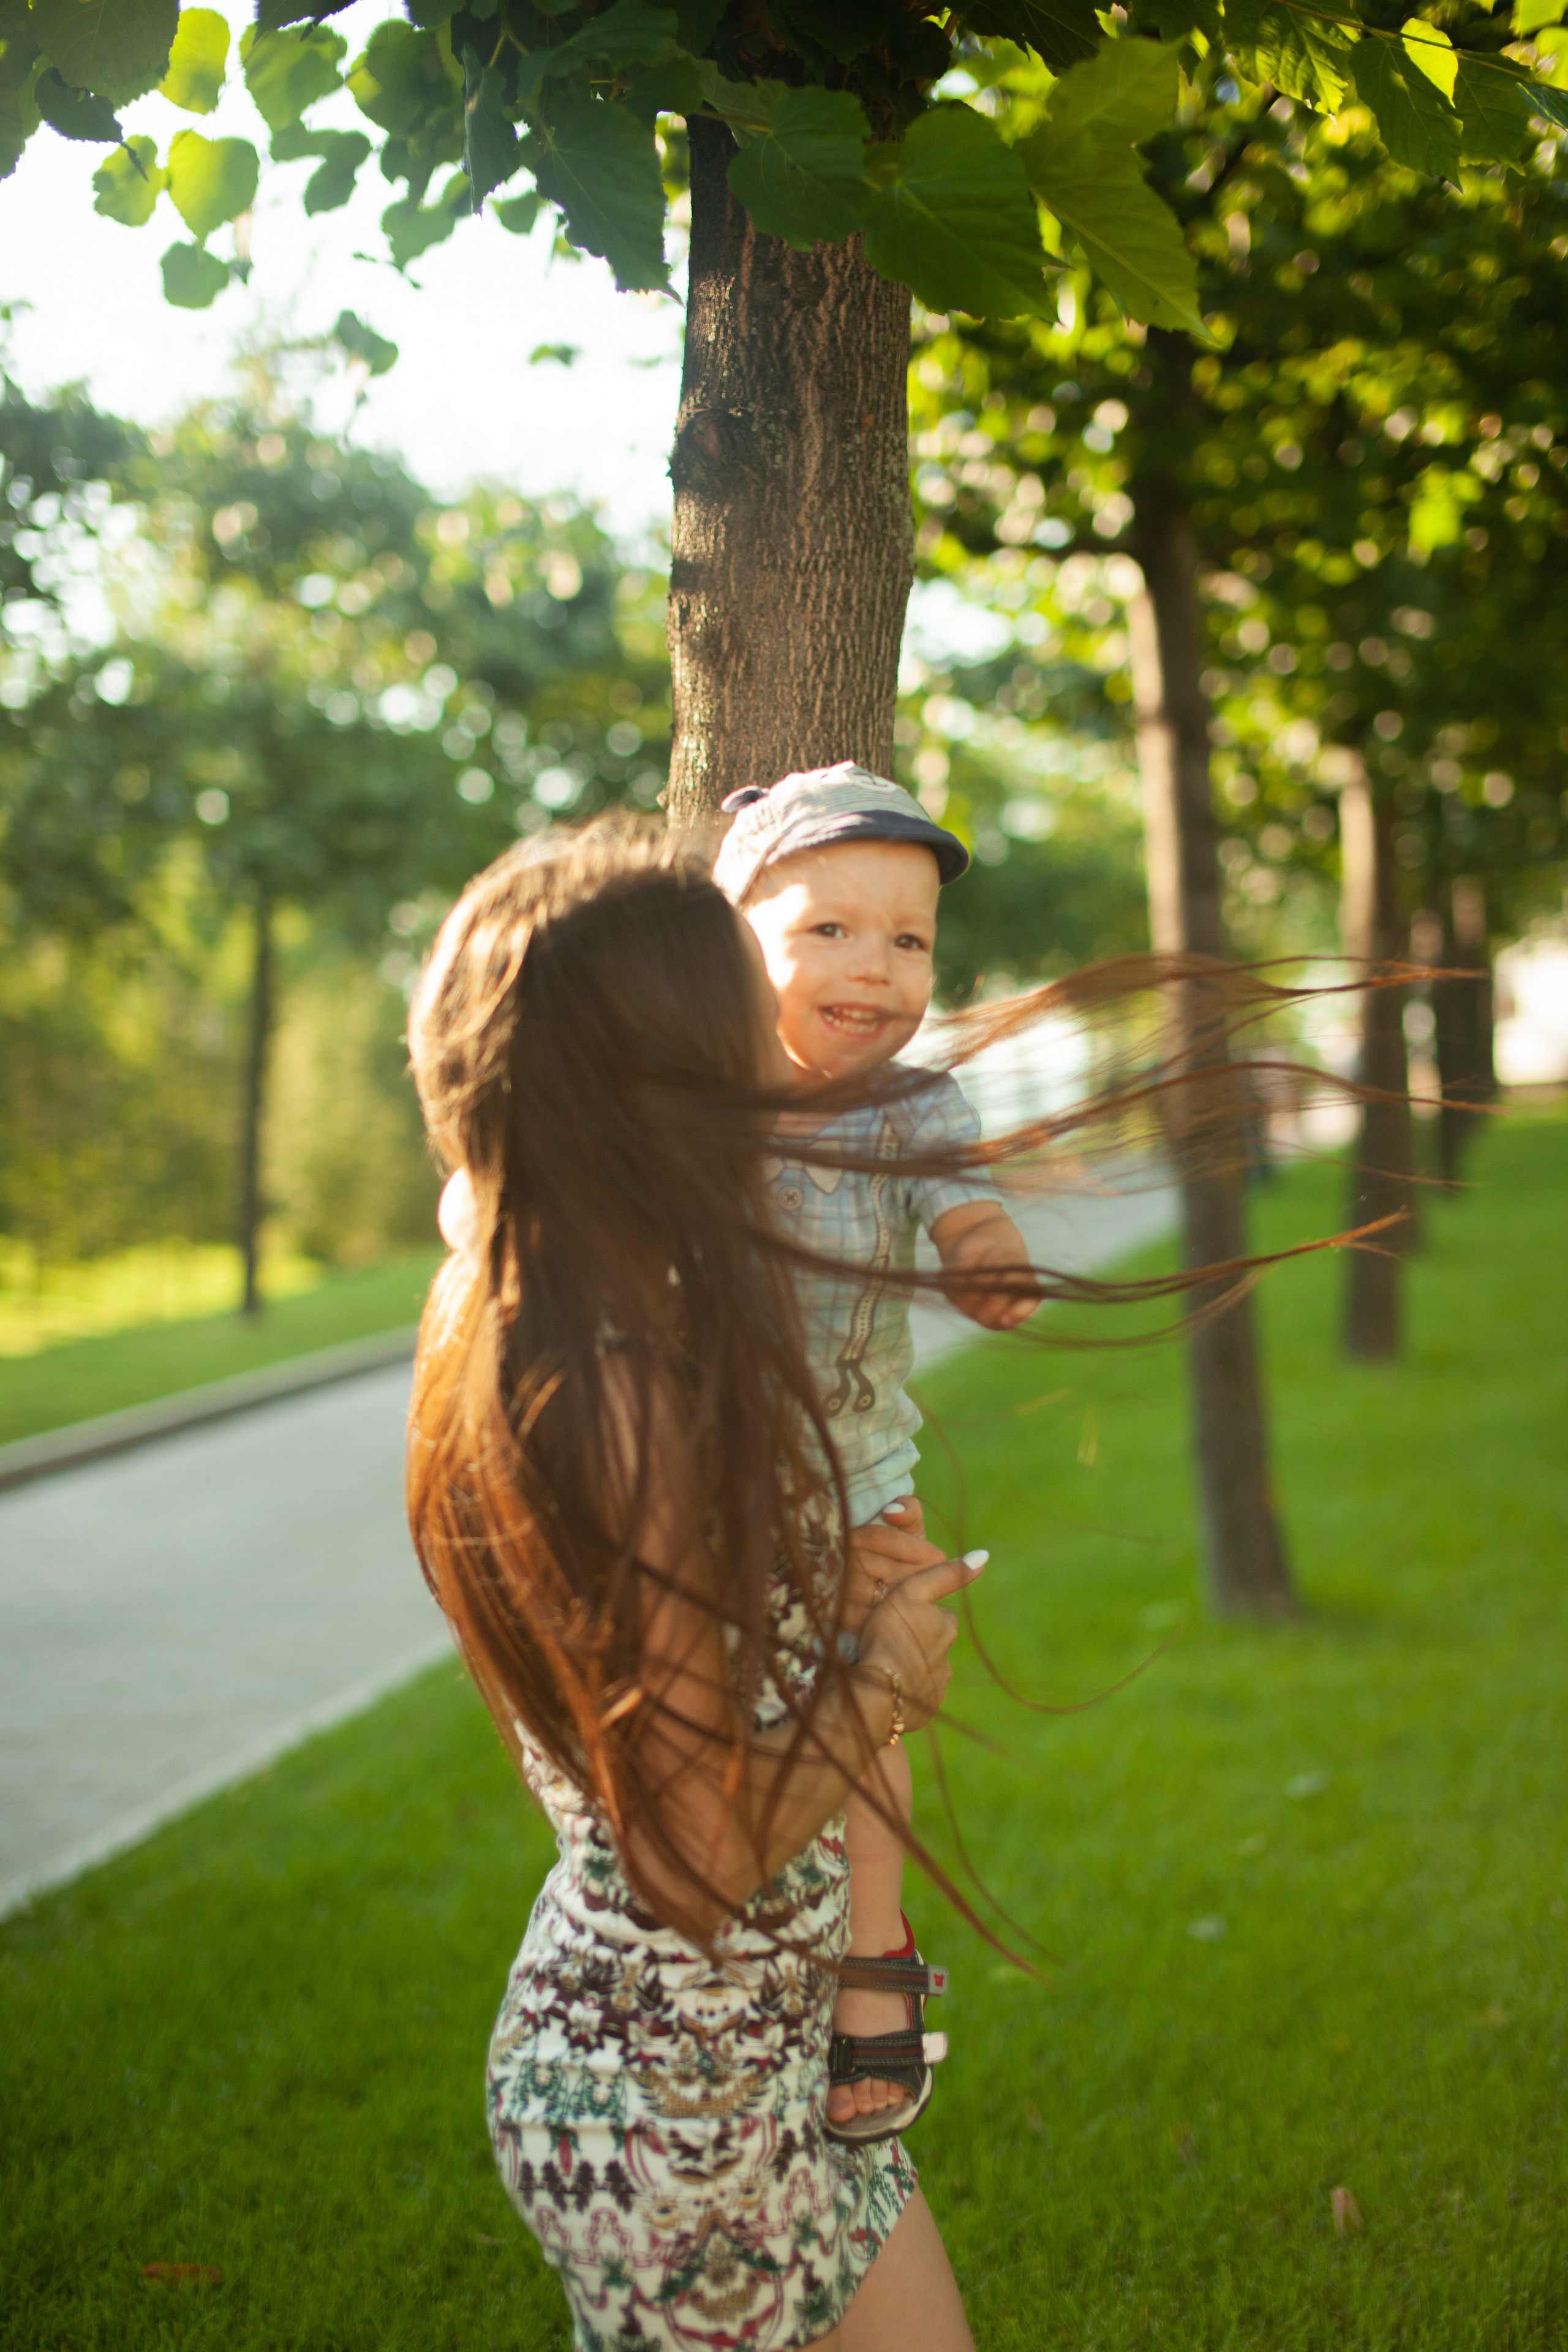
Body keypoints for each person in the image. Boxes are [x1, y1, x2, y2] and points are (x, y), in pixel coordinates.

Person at [405, 820, 984, 2352]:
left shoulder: (533, 1276)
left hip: (766, 2051)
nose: (782, 1059)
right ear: (658, 1081)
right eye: (748, 1016)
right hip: (670, 2097)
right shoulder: (609, 1395)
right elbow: (687, 1859)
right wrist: (883, 1681)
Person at [715, 763, 1042, 2141]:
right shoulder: (696, 1104)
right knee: (741, 1718)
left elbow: (965, 1211)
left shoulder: (915, 1107)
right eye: (827, 932)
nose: (876, 968)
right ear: (735, 945)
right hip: (713, 1489)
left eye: (907, 940)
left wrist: (989, 1260)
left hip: (857, 1481)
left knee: (871, 1708)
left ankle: (872, 1957)